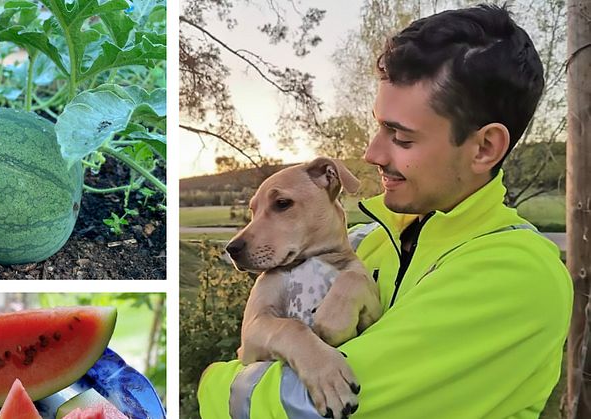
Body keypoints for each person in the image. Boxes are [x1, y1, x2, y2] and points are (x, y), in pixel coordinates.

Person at [197, 4, 572, 419]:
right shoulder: (370, 243)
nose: (372, 153)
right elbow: (260, 338)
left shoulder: (516, 275)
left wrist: (213, 384)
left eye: (402, 137)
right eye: (379, 126)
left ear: (484, 148)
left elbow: (322, 408)